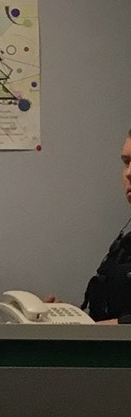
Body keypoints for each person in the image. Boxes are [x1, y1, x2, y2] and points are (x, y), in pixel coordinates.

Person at [79, 130, 131, 323]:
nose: (129, 173)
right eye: (126, 162)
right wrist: (69, 317)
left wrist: (105, 329)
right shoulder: (125, 246)